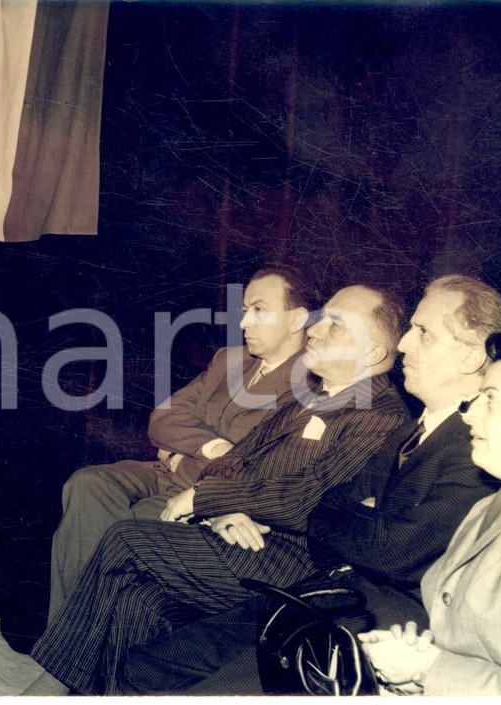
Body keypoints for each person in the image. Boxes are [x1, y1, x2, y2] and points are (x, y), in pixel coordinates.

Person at [119, 274, 501, 694]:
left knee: (195, 682)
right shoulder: (411, 430)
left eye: (423, 333)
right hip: (323, 594)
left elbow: (388, 548)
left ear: (472, 356)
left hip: (371, 623)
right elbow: (323, 506)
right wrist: (233, 506)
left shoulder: (475, 446)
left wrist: (343, 516)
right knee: (145, 664)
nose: (404, 344)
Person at [25, 283, 410, 695]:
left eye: (335, 325)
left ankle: (50, 690)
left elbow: (306, 499)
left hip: (285, 560)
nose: (314, 331)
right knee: (139, 601)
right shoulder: (311, 394)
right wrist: (222, 511)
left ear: (372, 353)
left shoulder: (380, 416)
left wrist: (205, 498)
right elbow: (234, 459)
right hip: (240, 538)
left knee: (128, 539)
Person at [47, 263, 316, 621]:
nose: (243, 323)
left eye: (259, 311)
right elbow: (163, 419)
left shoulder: (310, 384)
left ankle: (83, 645)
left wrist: (180, 458)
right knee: (87, 485)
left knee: (125, 529)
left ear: (297, 319)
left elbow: (256, 467)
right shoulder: (228, 361)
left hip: (203, 495)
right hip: (166, 471)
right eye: (244, 311)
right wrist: (214, 448)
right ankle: (70, 638)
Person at [359, 329, 501, 695]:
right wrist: (416, 651)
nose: (467, 415)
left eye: (491, 400)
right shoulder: (490, 506)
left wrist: (427, 668)